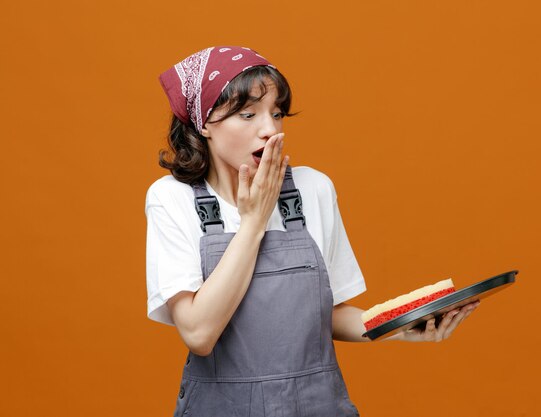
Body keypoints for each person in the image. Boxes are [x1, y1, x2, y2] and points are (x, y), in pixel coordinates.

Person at [146, 46, 479, 416]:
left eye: (276, 113)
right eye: (248, 114)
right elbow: (198, 334)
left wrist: (398, 326)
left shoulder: (313, 189)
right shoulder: (171, 199)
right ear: (204, 124)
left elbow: (327, 314)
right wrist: (253, 223)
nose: (270, 130)